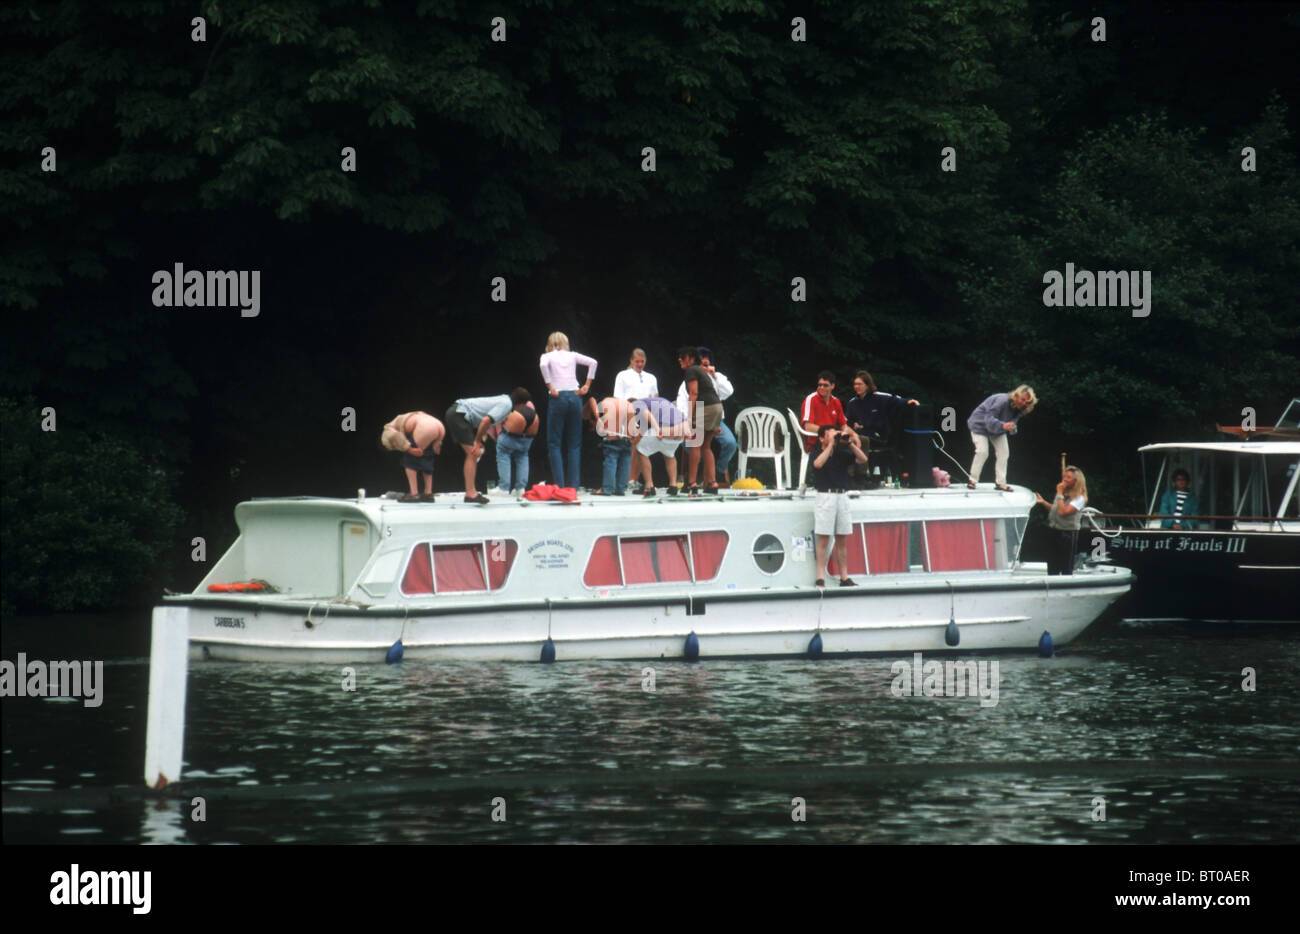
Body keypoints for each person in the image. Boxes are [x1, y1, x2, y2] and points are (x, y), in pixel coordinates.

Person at [444, 388, 531, 503]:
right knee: (473, 453)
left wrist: (478, 441)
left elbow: (485, 422)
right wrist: (476, 441)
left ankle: (471, 492)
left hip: (460, 414)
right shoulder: (506, 405)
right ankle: (470, 494)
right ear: (521, 404)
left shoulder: (505, 400)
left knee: (474, 453)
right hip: (459, 414)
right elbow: (485, 421)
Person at [811, 425, 869, 587]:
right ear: (821, 438)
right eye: (829, 434)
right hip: (825, 496)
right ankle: (820, 576)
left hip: (841, 496)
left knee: (841, 539)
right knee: (823, 538)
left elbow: (863, 459)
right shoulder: (816, 453)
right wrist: (830, 445)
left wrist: (849, 443)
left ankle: (844, 577)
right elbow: (817, 464)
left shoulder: (843, 455)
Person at [539, 332, 598, 488]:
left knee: (554, 443)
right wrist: (587, 385)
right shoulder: (572, 355)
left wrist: (550, 386)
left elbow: (543, 366)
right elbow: (593, 362)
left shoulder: (547, 356)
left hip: (558, 397)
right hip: (574, 396)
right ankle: (574, 486)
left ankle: (559, 484)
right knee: (574, 444)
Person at [675, 347, 736, 485]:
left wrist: (690, 421)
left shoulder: (692, 371)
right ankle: (712, 482)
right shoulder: (701, 373)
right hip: (716, 407)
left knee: (695, 444)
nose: (679, 359)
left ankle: (691, 483)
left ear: (691, 359)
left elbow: (694, 394)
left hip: (704, 409)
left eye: (683, 357)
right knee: (705, 446)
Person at [967, 385, 1037, 491]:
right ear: (1016, 395)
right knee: (982, 451)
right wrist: (1003, 426)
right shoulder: (1002, 401)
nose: (1023, 403)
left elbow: (1013, 424)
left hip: (997, 429)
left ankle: (1001, 483)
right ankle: (972, 480)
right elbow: (989, 419)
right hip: (980, 425)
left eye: (1027, 402)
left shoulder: (1021, 409)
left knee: (1004, 453)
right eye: (1022, 399)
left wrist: (1012, 427)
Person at [1035, 465, 1088, 574]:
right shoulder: (1063, 493)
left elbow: (1063, 512)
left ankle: (1066, 588)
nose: (1064, 479)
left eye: (1068, 477)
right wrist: (1043, 502)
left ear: (1076, 481)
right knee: (1052, 566)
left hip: (1067, 533)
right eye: (1064, 476)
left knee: (1066, 566)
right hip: (1054, 530)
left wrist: (1059, 493)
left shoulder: (1080, 498)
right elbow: (1056, 509)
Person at [381, 411, 445, 501]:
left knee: (409, 460)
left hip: (425, 427)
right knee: (427, 459)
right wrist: (438, 442)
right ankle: (428, 493)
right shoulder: (404, 417)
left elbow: (394, 436)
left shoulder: (387, 429)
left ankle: (414, 493)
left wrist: (409, 449)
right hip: (439, 426)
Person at [632, 395, 685, 496]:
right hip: (681, 429)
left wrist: (658, 430)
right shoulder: (660, 401)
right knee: (669, 454)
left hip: (663, 428)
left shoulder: (635, 404)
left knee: (640, 451)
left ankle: (649, 486)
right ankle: (673, 486)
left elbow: (647, 415)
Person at [585, 396, 634, 496]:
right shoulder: (624, 402)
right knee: (625, 458)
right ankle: (620, 489)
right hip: (629, 415)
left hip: (613, 434)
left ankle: (607, 489)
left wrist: (598, 419)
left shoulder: (604, 403)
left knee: (611, 458)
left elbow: (591, 399)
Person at [490, 400, 538, 495]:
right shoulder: (529, 403)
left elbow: (496, 425)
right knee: (522, 456)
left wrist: (498, 439)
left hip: (510, 434)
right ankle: (520, 489)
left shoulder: (501, 405)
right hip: (528, 436)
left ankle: (503, 488)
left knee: (503, 454)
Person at [801, 371, 857, 452]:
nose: (822, 387)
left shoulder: (836, 401)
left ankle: (858, 464)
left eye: (825, 385)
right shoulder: (811, 399)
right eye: (820, 385)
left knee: (863, 440)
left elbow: (844, 426)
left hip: (834, 437)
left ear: (832, 386)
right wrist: (831, 432)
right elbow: (808, 427)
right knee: (849, 444)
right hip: (817, 440)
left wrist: (855, 435)